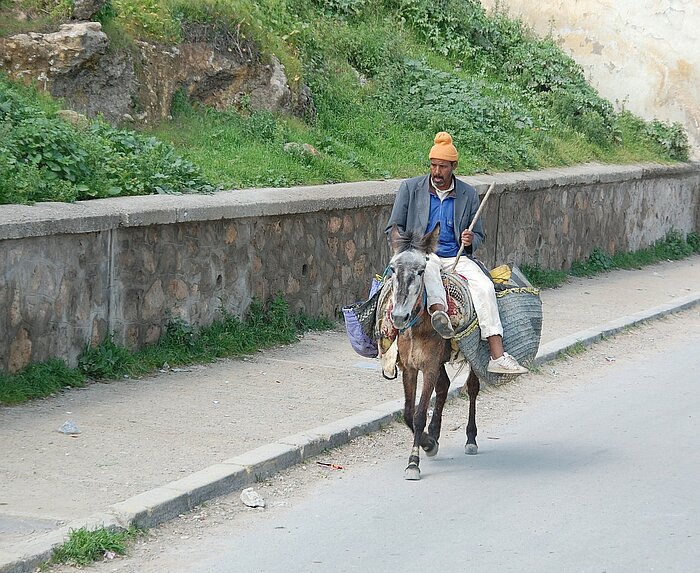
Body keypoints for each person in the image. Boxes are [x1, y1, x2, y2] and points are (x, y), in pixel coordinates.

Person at [385, 131, 528, 375]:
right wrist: (408, 250)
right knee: (425, 271)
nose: (437, 172)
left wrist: (470, 240)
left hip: (457, 256)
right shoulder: (410, 189)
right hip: (421, 254)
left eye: (442, 167)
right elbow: (393, 229)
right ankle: (436, 316)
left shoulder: (468, 195)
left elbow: (479, 235)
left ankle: (497, 354)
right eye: (433, 166)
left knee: (484, 286)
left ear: (454, 166)